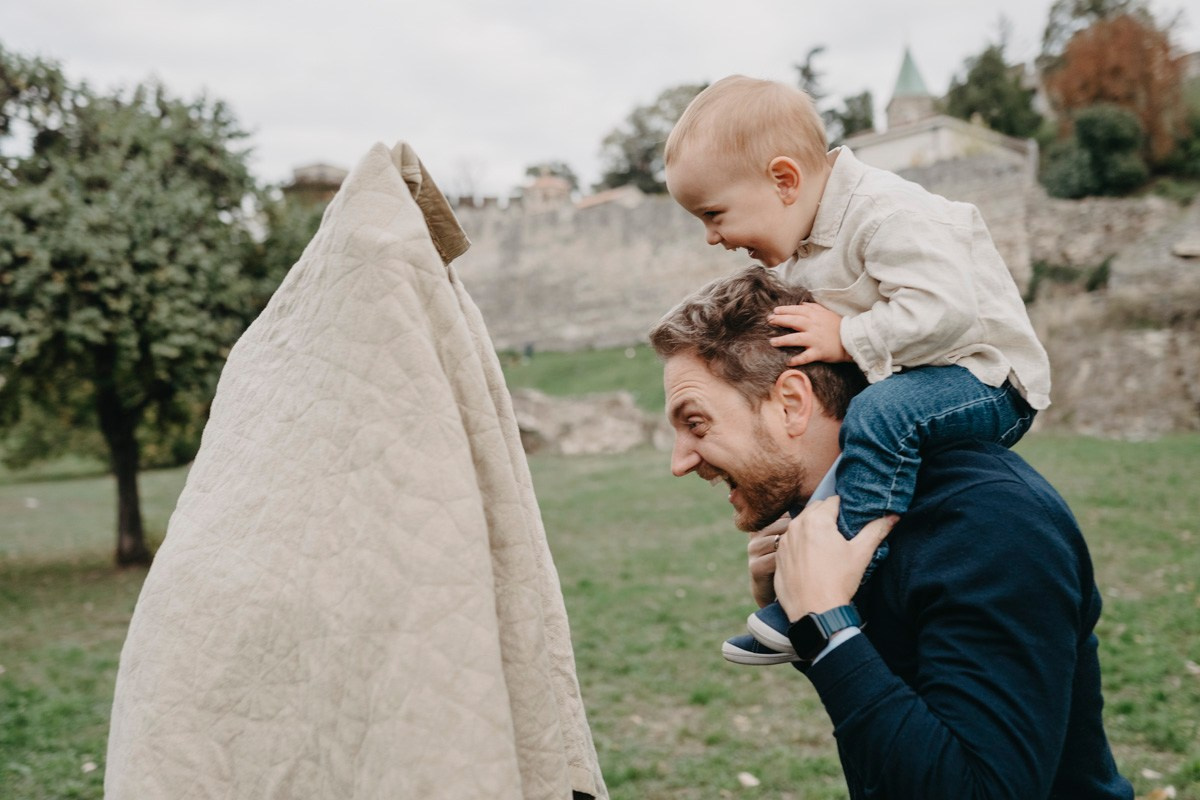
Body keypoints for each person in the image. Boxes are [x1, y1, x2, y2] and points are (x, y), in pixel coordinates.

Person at [649, 265, 1132, 799]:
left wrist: (826, 623)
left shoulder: (987, 520)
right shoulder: (846, 520)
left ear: (791, 402)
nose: (680, 462)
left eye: (696, 423)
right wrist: (809, 622)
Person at [663, 74, 1052, 664]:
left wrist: (849, 335)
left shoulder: (886, 213)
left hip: (988, 381)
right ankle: (799, 595)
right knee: (826, 450)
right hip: (927, 378)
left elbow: (948, 312)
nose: (712, 237)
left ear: (784, 180)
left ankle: (844, 576)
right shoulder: (813, 238)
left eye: (714, 214)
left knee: (876, 413)